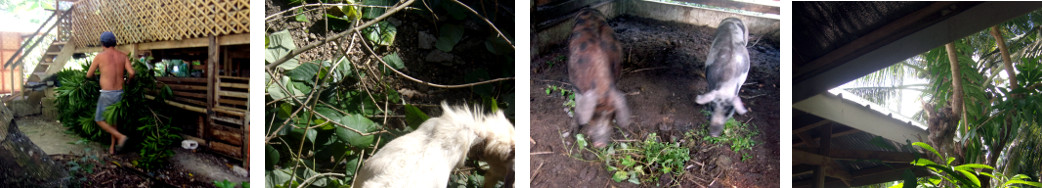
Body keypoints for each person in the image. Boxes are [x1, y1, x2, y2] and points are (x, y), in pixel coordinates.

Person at [86, 31, 135, 154]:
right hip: (120, 92)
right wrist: (128, 82)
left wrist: (97, 78)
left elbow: (88, 75)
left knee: (99, 120)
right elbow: (132, 73)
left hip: (107, 93)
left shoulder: (100, 56)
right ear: (114, 43)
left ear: (102, 43)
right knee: (113, 120)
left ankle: (120, 137)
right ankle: (112, 148)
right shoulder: (123, 56)